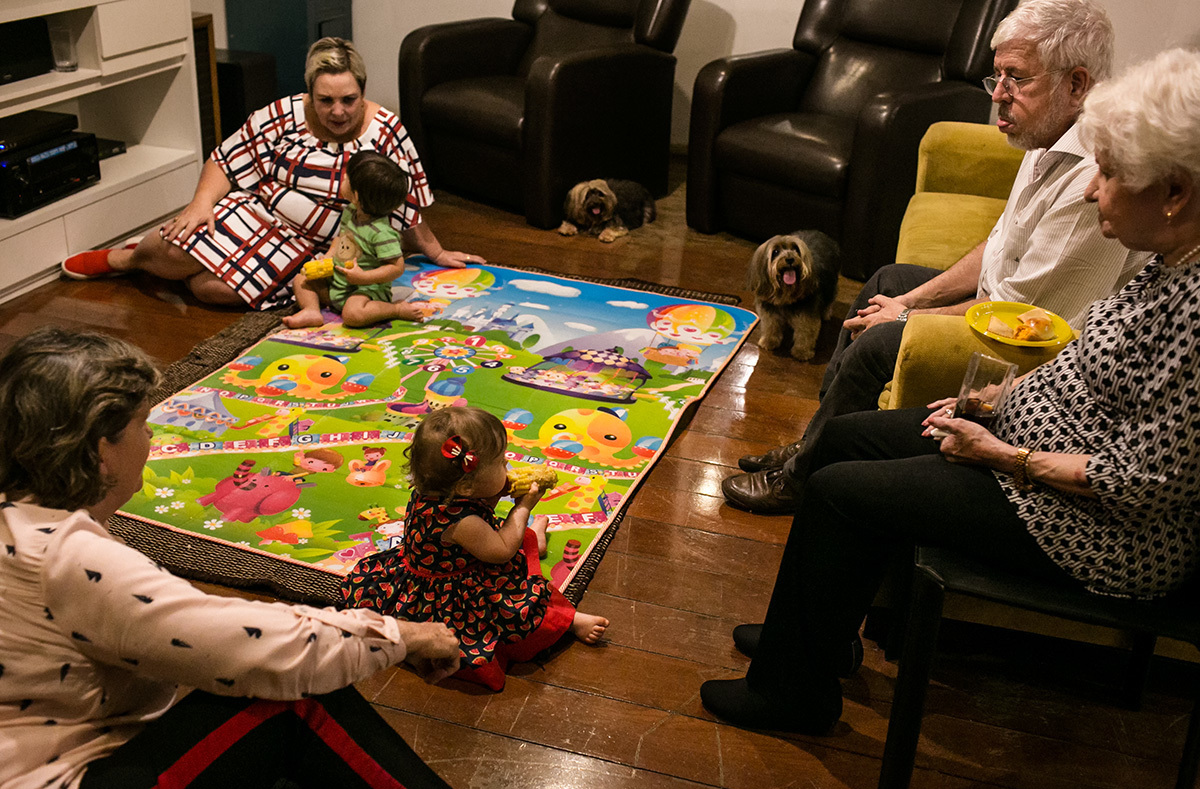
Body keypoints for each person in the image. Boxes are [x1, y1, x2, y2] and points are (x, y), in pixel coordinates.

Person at [700, 47, 1200, 734]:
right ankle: (820, 640)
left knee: (846, 494)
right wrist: (997, 400)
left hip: (1093, 527)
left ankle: (795, 693)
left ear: (1175, 194)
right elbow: (1087, 362)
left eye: (1110, 175)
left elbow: (1140, 480)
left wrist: (997, 453)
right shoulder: (1171, 262)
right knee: (845, 440)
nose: (1092, 189)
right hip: (1030, 444)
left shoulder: (1198, 308)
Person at [0, 328, 464, 789]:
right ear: (102, 452)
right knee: (292, 702)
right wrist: (405, 635)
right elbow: (255, 646)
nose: (152, 435)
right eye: (142, 425)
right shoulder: (62, 555)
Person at [723, 0, 1148, 515]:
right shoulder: (1045, 137)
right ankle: (818, 440)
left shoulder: (1088, 182)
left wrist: (907, 317)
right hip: (1003, 305)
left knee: (882, 338)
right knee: (886, 278)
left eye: (1016, 78)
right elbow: (998, 244)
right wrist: (909, 298)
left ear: (1076, 84)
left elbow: (1016, 315)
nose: (999, 97)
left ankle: (801, 477)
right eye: (997, 77)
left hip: (1023, 339)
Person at [61, 37, 482, 310]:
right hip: (257, 212)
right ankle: (127, 259)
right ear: (309, 93)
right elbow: (226, 160)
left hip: (316, 243)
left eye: (349, 100)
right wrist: (199, 205)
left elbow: (408, 205)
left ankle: (167, 269)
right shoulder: (282, 114)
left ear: (363, 91)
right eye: (326, 100)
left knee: (212, 291)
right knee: (174, 243)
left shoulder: (386, 130)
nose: (338, 111)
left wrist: (437, 252)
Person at [341, 406, 610, 692]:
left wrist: (494, 494)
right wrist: (523, 507)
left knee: (520, 536)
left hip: (447, 562)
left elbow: (481, 512)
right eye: (502, 463)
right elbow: (502, 550)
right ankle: (569, 621)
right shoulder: (462, 523)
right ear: (468, 486)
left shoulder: (437, 491)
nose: (508, 468)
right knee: (521, 600)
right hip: (453, 594)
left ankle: (533, 540)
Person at [283, 150, 426, 329]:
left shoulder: (382, 233)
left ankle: (395, 309)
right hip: (338, 282)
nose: (342, 181)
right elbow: (341, 239)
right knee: (301, 280)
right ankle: (312, 311)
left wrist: (363, 277)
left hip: (366, 290)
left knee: (353, 315)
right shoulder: (351, 212)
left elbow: (397, 267)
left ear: (357, 196)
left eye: (346, 179)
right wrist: (328, 255)